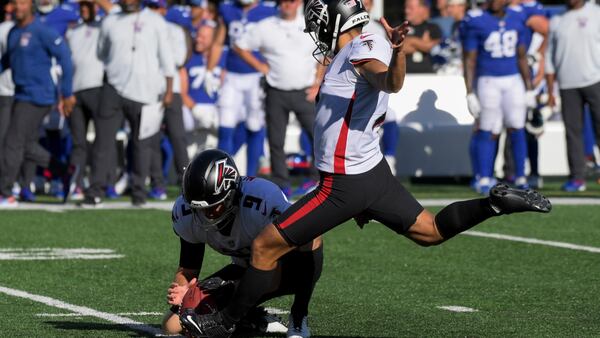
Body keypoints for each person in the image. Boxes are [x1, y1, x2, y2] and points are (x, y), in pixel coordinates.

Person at [179, 1, 551, 337]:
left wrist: (400, 52)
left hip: (343, 183)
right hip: (372, 174)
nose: (315, 33)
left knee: (264, 246)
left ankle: (223, 324)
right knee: (431, 231)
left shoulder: (361, 46)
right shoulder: (354, 47)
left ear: (331, 21)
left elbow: (389, 79)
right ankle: (494, 204)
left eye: (317, 24)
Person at [163, 149, 323, 338]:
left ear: (231, 194)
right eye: (199, 209)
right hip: (243, 269)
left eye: (213, 208)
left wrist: (232, 287)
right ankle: (255, 319)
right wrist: (182, 297)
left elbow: (303, 234)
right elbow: (188, 269)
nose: (205, 215)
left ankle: (298, 316)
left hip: (283, 267)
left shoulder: (261, 199)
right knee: (171, 325)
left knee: (311, 237)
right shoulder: (188, 212)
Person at [80, 0, 175, 207]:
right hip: (113, 88)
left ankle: (139, 192)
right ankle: (95, 190)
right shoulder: (110, 21)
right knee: (103, 141)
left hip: (145, 91)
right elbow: (101, 52)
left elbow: (167, 57)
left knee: (142, 145)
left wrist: (169, 89)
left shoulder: (156, 21)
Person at [233, 0, 320, 196]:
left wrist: (318, 82)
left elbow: (324, 54)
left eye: (290, 0)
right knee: (275, 139)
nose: (286, 4)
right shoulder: (266, 26)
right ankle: (282, 183)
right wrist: (260, 67)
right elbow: (239, 46)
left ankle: (317, 179)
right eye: (282, 1)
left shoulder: (312, 24)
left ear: (299, 2)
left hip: (305, 91)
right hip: (275, 90)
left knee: (317, 136)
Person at [0, 0, 76, 207]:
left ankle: (5, 193)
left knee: (12, 142)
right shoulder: (13, 32)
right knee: (23, 145)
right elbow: (7, 61)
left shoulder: (43, 31)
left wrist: (67, 93)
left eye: (22, 3)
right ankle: (63, 170)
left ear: (30, 6)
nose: (18, 8)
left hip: (39, 95)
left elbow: (65, 58)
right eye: (15, 4)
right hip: (21, 94)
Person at [462, 0, 536, 193]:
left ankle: (521, 176)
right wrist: (469, 92)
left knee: (517, 127)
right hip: (488, 81)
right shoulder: (477, 21)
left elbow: (521, 56)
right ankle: (484, 177)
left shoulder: (517, 18)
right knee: (487, 128)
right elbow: (469, 60)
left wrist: (529, 87)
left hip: (513, 80)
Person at [206, 0, 277, 176]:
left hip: (257, 76)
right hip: (232, 74)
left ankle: (251, 176)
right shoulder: (228, 9)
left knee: (255, 124)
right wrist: (209, 71)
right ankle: (221, 177)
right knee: (225, 124)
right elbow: (218, 42)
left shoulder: (268, 10)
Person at [545, 0, 600, 192]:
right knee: (572, 133)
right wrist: (551, 89)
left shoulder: (596, 13)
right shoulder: (557, 19)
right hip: (567, 84)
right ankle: (577, 178)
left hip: (595, 80)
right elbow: (550, 56)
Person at [65, 0, 104, 200]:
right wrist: (64, 93)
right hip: (75, 91)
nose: (84, 10)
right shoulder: (73, 31)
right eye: (82, 7)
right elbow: (67, 63)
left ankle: (104, 183)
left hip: (97, 88)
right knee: (78, 142)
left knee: (101, 140)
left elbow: (112, 12)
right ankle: (77, 184)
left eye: (88, 6)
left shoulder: (103, 26)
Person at [403, 0, 442, 73]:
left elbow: (435, 48)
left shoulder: (433, 28)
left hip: (428, 76)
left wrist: (410, 41)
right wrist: (422, 44)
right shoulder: (401, 28)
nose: (406, 11)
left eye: (410, 8)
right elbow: (399, 49)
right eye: (406, 7)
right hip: (405, 76)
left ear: (421, 9)